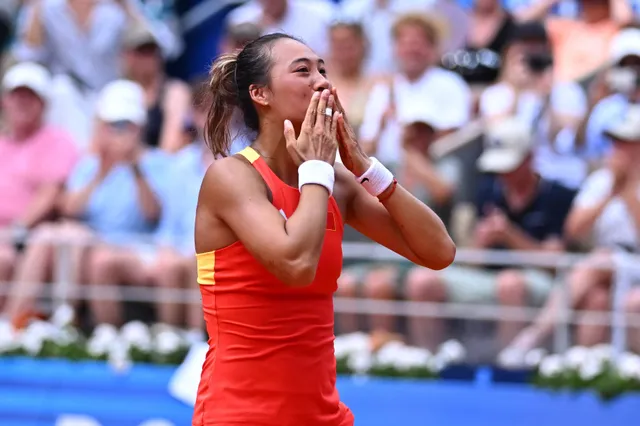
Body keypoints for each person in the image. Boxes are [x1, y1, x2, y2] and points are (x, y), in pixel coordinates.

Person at [193, 33, 455, 425]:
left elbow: (439, 252)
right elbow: (295, 265)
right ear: (260, 94)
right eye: (303, 71)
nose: (321, 82)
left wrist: (366, 168)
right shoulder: (231, 176)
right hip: (239, 413)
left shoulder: (334, 183)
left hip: (323, 415)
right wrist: (316, 169)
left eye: (322, 70)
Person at [403, 117, 576, 350]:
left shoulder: (558, 196)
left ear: (529, 159)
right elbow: (470, 259)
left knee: (510, 284)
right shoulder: (486, 189)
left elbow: (554, 262)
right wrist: (482, 241)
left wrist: (510, 235)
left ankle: (507, 365)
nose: (503, 175)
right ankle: (427, 362)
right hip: (486, 276)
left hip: (538, 279)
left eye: (509, 167)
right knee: (421, 280)